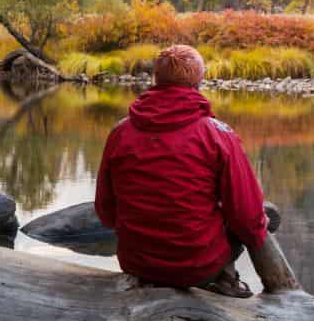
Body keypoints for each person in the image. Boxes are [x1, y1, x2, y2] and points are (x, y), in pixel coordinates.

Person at [94, 44, 285, 297]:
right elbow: (247, 217)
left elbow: (106, 212)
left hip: (136, 264)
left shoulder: (121, 131)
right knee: (248, 217)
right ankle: (225, 279)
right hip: (197, 268)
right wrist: (258, 227)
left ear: (156, 79)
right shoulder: (218, 134)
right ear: (199, 81)